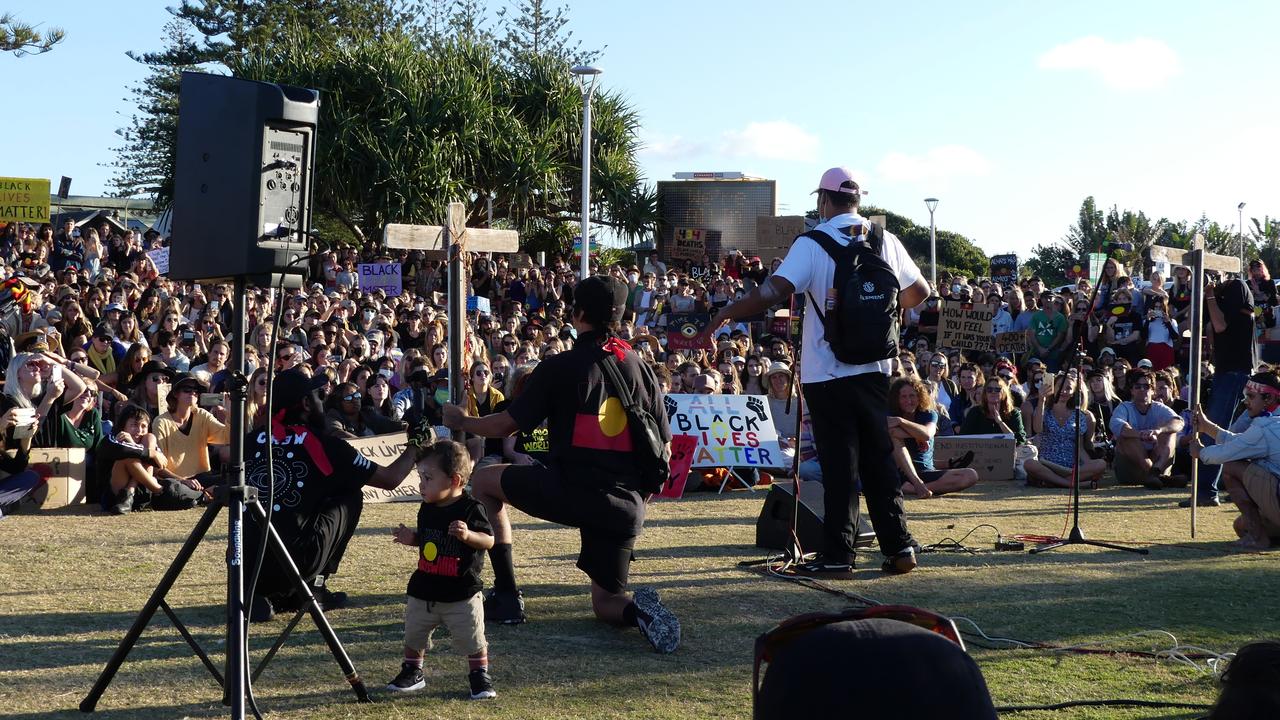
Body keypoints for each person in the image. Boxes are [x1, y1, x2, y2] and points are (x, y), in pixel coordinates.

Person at [705, 166, 928, 576]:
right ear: (857, 200)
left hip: (828, 372)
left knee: (839, 465)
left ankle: (839, 555)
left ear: (823, 200)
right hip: (876, 368)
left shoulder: (812, 242)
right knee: (878, 459)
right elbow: (921, 293)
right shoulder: (886, 241)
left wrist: (725, 314)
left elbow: (773, 291)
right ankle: (899, 547)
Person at [442, 275, 681, 653]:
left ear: (579, 313)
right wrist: (640, 498)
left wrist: (462, 422)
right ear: (620, 316)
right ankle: (639, 614)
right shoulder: (641, 367)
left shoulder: (561, 367)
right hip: (625, 505)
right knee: (606, 606)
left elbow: (507, 424)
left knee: (485, 482)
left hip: (572, 490)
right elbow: (664, 448)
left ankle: (505, 596)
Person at [243, 369, 420, 622]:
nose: (322, 403)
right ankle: (314, 587)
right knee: (351, 495)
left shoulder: (249, 442)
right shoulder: (325, 444)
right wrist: (415, 446)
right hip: (295, 560)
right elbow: (391, 479)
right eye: (318, 396)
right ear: (306, 403)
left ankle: (270, 592)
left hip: (245, 568)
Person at [386, 439, 496, 700]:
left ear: (455, 480)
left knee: (472, 637)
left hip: (461, 592)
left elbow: (489, 540)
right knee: (414, 632)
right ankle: (413, 671)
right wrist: (411, 538)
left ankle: (479, 675)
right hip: (424, 588)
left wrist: (468, 535)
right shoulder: (427, 507)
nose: (421, 484)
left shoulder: (471, 508)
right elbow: (427, 540)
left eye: (428, 478)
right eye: (420, 477)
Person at [1186, 275, 1257, 508]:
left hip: (1236, 371)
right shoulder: (1219, 294)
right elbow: (1194, 326)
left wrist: (1209, 294)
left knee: (1212, 428)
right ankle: (1221, 486)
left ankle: (1206, 490)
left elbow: (1220, 325)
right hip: (1226, 370)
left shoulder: (1237, 286)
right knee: (1230, 430)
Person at [1190, 372, 1280, 549]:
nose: (1246, 401)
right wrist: (1208, 428)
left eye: (1251, 397)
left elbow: (1228, 453)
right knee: (1240, 526)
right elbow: (1242, 443)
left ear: (1268, 398)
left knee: (1231, 467)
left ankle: (1257, 538)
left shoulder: (1266, 427)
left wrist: (1201, 452)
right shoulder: (1271, 423)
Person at [887, 376, 978, 498]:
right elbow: (891, 432)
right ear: (896, 399)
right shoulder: (890, 413)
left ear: (919, 397)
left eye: (912, 396)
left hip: (925, 471)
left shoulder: (929, 414)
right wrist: (916, 435)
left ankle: (910, 488)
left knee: (971, 475)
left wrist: (901, 422)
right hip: (898, 472)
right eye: (903, 397)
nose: (908, 400)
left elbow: (927, 434)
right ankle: (917, 484)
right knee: (895, 439)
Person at [1023, 371, 1107, 488]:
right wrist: (1042, 400)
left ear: (1073, 393)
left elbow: (1080, 448)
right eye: (1060, 387)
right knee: (1029, 464)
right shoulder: (1044, 410)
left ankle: (1052, 482)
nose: (1064, 391)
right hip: (1047, 464)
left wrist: (1092, 466)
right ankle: (1069, 484)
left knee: (1101, 464)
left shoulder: (1081, 415)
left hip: (1071, 467)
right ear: (1054, 389)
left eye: (1068, 388)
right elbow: (1037, 429)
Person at [1109, 368, 1184, 489]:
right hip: (1131, 470)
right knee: (1126, 436)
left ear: (1153, 390)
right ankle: (1156, 476)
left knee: (1170, 432)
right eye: (1138, 386)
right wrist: (1139, 434)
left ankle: (1155, 473)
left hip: (1157, 458)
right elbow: (1116, 425)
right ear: (1132, 390)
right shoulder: (1124, 407)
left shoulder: (1158, 408)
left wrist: (1159, 430)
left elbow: (1179, 422)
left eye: (1146, 386)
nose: (1142, 390)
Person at [959, 377, 1027, 444]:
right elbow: (962, 437)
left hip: (1008, 453)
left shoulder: (1014, 413)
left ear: (1004, 393)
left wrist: (1000, 422)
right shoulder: (975, 412)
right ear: (985, 394)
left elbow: (1020, 440)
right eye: (989, 389)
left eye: (997, 389)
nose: (993, 392)